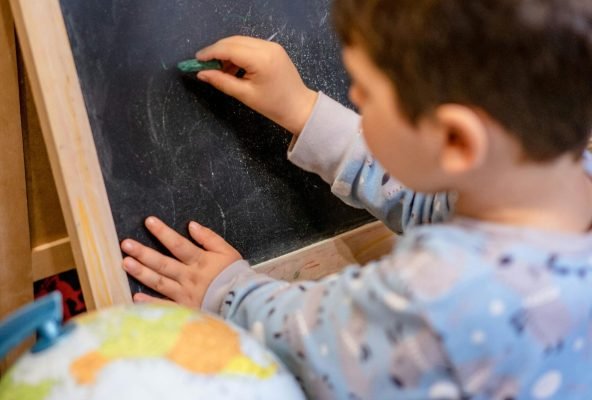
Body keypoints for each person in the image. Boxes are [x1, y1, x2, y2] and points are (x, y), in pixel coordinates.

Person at [120, 0, 592, 398]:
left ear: (454, 140)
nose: (354, 94)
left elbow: (323, 345)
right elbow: (436, 204)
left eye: (367, 93)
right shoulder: (552, 185)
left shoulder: (443, 298)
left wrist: (227, 296)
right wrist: (302, 109)